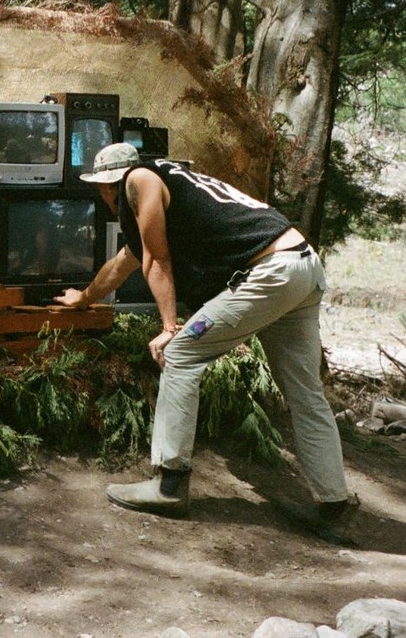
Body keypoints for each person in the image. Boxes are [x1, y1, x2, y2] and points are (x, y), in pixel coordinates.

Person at [56, 143, 356, 541]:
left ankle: (169, 484)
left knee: (179, 352)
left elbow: (156, 260)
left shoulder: (139, 179)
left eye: (101, 190)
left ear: (108, 184)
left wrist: (168, 326)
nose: (105, 199)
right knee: (305, 393)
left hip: (268, 273)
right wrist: (84, 297)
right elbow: (128, 260)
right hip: (301, 266)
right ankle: (334, 505)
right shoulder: (172, 182)